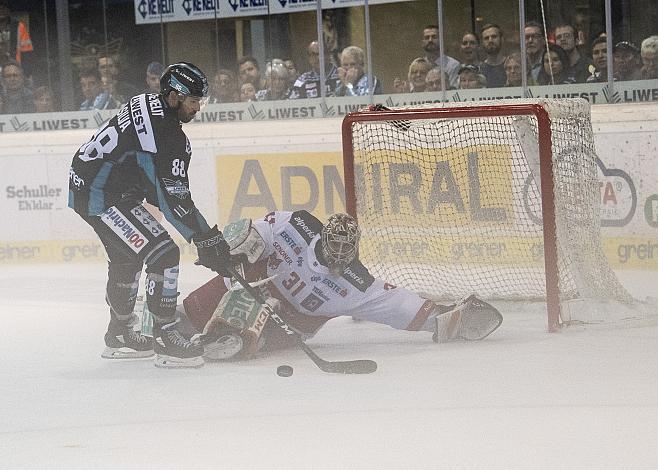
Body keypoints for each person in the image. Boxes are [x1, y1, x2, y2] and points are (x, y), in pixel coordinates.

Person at [68, 62, 232, 369]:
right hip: (101, 194)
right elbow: (172, 198)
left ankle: (118, 334)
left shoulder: (146, 102)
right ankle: (165, 336)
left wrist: (203, 236)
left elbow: (156, 185)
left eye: (201, 101)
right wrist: (206, 239)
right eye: (193, 101)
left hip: (89, 184)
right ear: (173, 96)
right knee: (164, 253)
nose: (198, 108)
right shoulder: (166, 136)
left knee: (127, 258)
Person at [180, 212, 503, 361]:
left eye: (345, 253)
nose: (337, 258)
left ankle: (223, 343)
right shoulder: (297, 225)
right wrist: (230, 248)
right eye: (331, 249)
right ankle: (167, 324)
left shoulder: (358, 285)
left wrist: (449, 319)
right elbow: (254, 232)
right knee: (188, 313)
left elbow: (403, 306)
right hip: (248, 286)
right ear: (321, 238)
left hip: (290, 322)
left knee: (242, 339)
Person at [421, 25, 460, 89]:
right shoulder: (419, 66)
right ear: (422, 42)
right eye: (427, 37)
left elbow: (452, 90)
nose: (430, 40)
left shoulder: (453, 65)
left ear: (441, 40)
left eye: (434, 37)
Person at [0, 1, 33, 71]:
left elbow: (27, 52)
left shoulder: (19, 26)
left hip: (14, 69)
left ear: (9, 10)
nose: (1, 10)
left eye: (4, 7)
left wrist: (27, 72)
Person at [479, 23, 507, 88]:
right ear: (482, 43)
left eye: (494, 37)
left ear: (502, 39)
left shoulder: (512, 67)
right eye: (486, 38)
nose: (490, 40)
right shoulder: (479, 70)